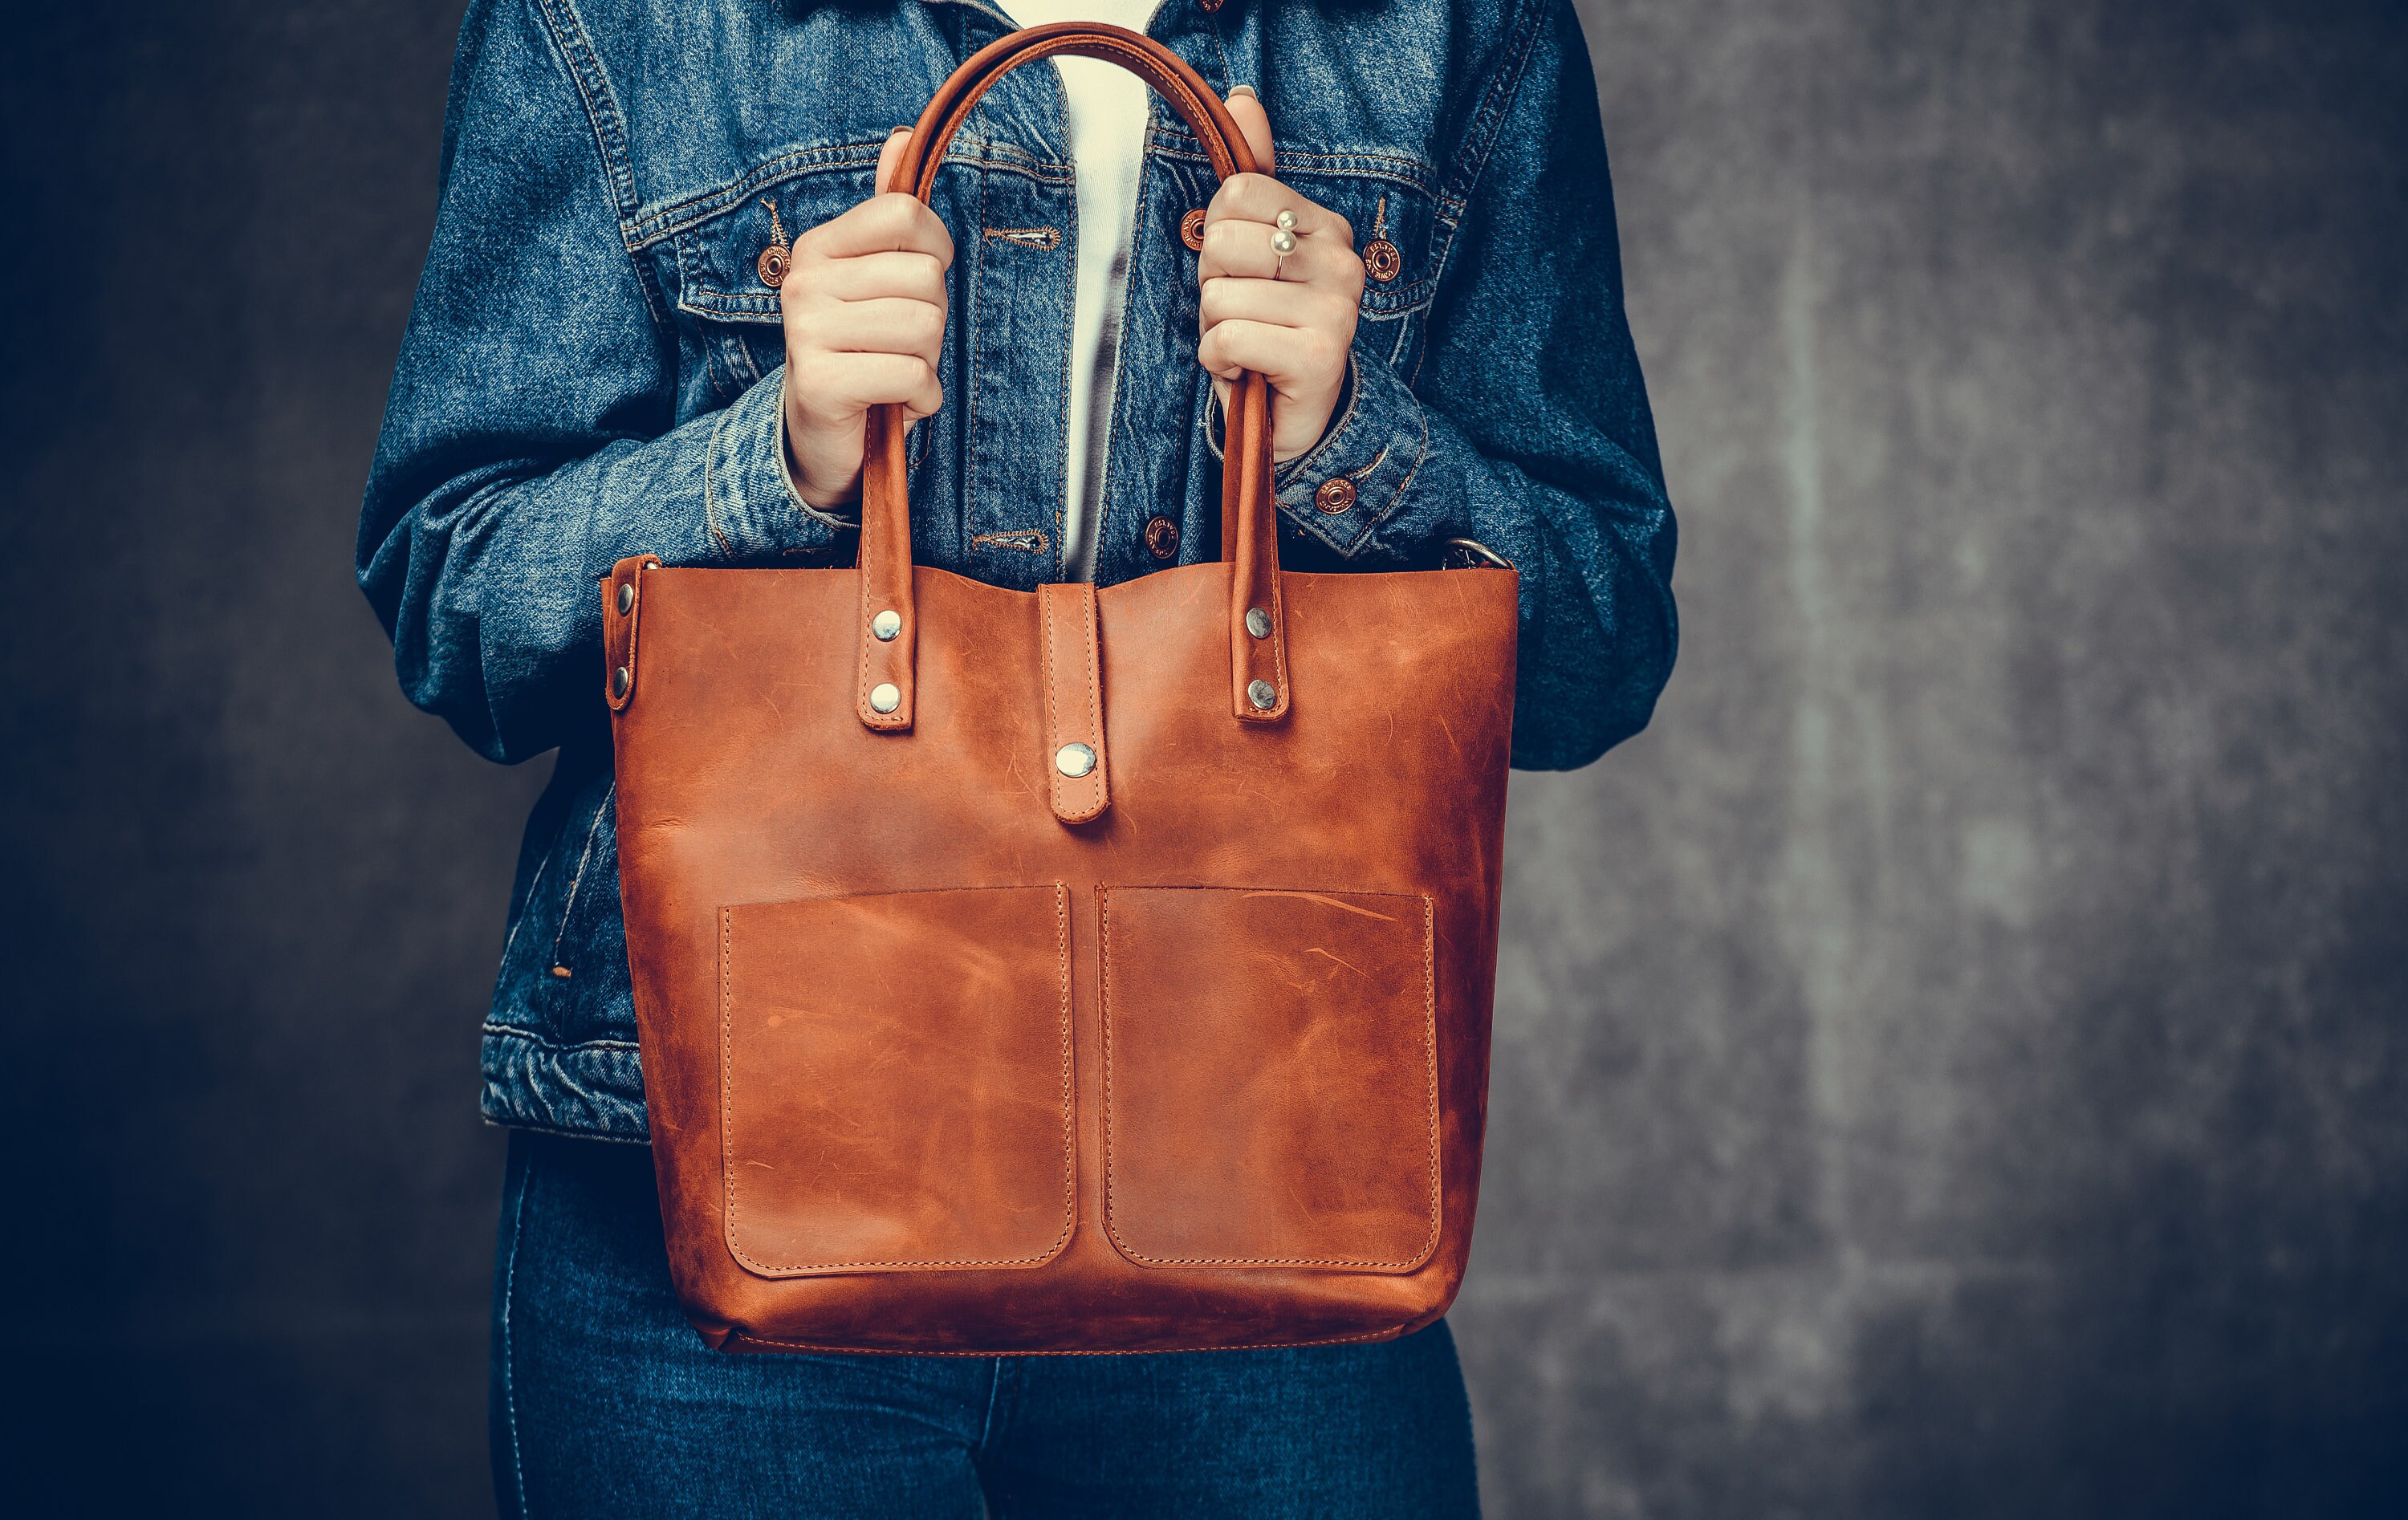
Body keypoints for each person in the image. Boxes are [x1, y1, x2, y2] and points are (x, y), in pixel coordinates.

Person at [358, 1, 1676, 1514]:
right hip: (710, 1194)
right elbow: (452, 597)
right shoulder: (618, 19)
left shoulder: (1454, 28)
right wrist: (772, 454)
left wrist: (1353, 436)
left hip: (1264, 1188)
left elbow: (1602, 644)